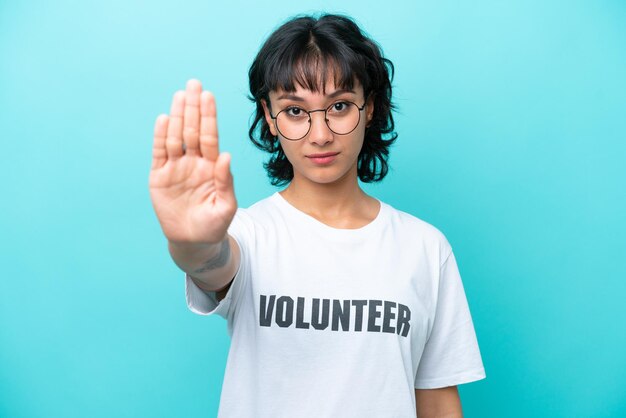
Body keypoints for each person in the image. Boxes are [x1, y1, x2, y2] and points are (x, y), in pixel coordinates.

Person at [149, 13, 486, 418]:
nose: (320, 133)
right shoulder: (248, 234)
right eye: (295, 111)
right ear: (270, 117)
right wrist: (194, 243)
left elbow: (437, 401)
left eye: (339, 106)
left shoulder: (425, 248)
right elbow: (212, 264)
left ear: (370, 107)